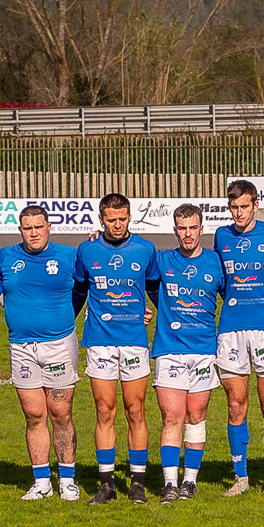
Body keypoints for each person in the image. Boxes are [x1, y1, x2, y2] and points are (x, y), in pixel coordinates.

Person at [0, 205, 82, 501]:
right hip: (21, 346)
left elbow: (94, 285)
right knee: (33, 415)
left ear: (48, 227)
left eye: (38, 227)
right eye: (27, 228)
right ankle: (41, 481)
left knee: (60, 413)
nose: (33, 233)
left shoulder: (70, 255)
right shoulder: (4, 257)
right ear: (20, 230)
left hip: (59, 344)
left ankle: (67, 480)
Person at [74, 192, 161, 504]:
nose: (117, 225)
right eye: (111, 220)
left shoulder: (145, 249)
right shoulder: (86, 250)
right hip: (99, 342)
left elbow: (155, 290)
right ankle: (107, 484)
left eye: (122, 219)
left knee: (135, 410)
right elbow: (78, 292)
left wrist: (160, 315)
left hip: (134, 341)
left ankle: (137, 483)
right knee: (104, 410)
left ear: (129, 217)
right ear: (101, 220)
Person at [212, 180, 264, 496]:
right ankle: (241, 478)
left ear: (256, 204)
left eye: (244, 206)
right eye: (234, 207)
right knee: (236, 403)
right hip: (230, 330)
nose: (239, 213)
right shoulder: (221, 236)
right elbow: (219, 280)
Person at [153, 203, 226, 501]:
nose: (187, 234)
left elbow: (237, 299)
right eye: (181, 228)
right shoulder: (160, 260)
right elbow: (133, 284)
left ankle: (190, 482)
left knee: (196, 416)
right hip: (170, 350)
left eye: (192, 228)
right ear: (175, 230)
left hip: (204, 350)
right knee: (172, 416)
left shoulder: (216, 263)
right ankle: (169, 482)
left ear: (201, 228)